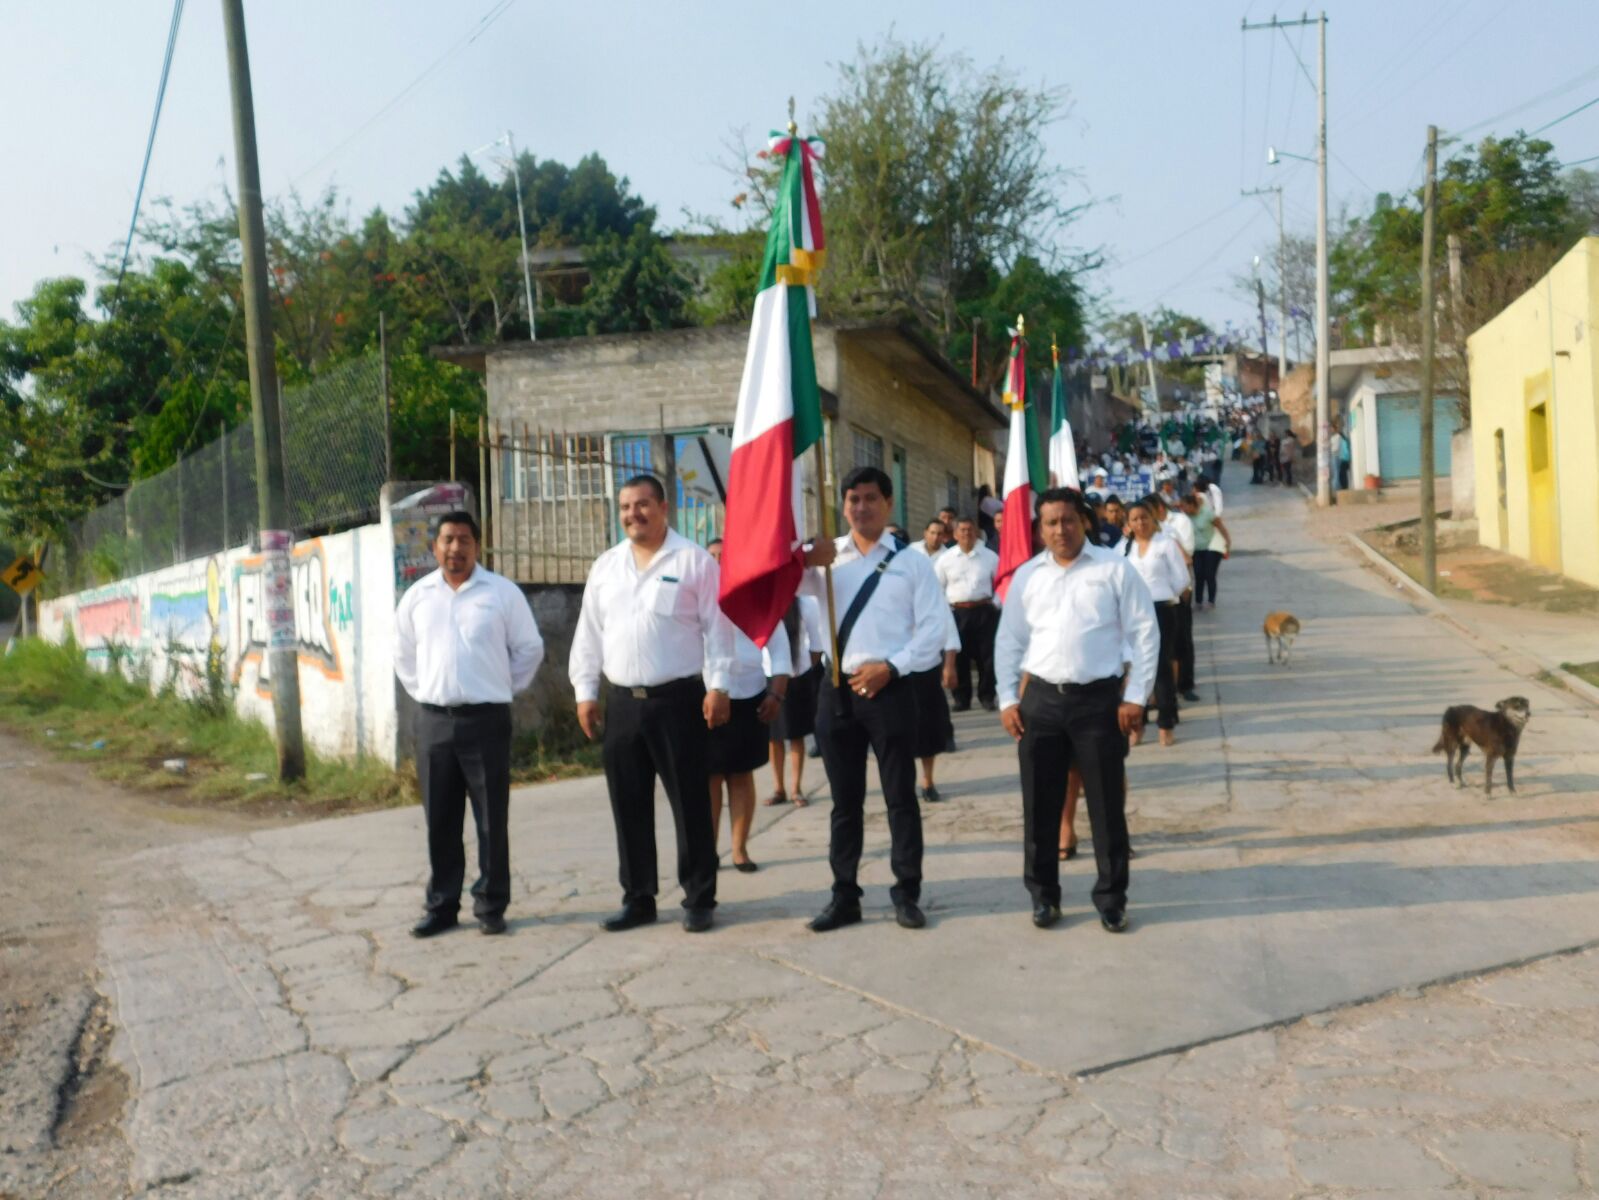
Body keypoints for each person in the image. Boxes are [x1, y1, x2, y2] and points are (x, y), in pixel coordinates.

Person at [569, 475, 734, 934]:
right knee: (629, 804)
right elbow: (589, 634)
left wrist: (718, 686)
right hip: (622, 703)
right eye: (625, 507)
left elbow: (718, 629)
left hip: (678, 701)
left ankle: (699, 897)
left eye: (642, 505)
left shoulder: (694, 561)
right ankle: (638, 897)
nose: (632, 514)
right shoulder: (606, 567)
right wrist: (585, 692)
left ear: (664, 507)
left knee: (690, 804)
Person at [995, 487, 1159, 932]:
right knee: (1039, 806)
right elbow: (1009, 641)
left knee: (1106, 806)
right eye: (1050, 522)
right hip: (1041, 703)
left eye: (1067, 520)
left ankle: (1111, 897)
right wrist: (1008, 698)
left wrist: (1135, 697)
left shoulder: (1114, 569)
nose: (1060, 530)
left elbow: (1145, 632)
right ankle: (1044, 896)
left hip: (1099, 702)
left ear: (1083, 521)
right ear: (1039, 528)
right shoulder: (1028, 576)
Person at [800, 466, 947, 932]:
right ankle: (845, 895)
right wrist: (800, 559)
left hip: (891, 690)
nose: (860, 507)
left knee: (900, 796)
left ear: (888, 504)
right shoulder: (825, 560)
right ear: (842, 506)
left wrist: (892, 668)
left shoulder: (912, 562)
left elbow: (933, 630)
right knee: (845, 803)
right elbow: (774, 580)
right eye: (852, 499)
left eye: (869, 498)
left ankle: (907, 892)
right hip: (836, 689)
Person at [396, 510, 545, 938]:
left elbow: (529, 650)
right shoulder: (418, 596)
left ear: (477, 546)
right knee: (440, 819)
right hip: (434, 723)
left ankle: (491, 904)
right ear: (435, 547)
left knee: (490, 819)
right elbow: (402, 655)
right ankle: (442, 905)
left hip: (486, 721)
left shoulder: (501, 594)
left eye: (463, 539)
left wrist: (499, 688)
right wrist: (427, 691)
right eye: (447, 539)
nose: (455, 548)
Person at [704, 539, 789, 873]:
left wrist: (776, 694)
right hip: (707, 698)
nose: (718, 564)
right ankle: (707, 852)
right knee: (710, 778)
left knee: (740, 776)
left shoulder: (758, 601)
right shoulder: (696, 599)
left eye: (724, 557)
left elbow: (781, 652)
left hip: (749, 695)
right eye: (711, 558)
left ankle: (739, 849)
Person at [1118, 501, 1188, 746]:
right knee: (1136, 667)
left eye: (1144, 517)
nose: (1140, 523)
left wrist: (1161, 594)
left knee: (1160, 667)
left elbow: (1182, 579)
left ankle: (1166, 723)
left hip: (1162, 610)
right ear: (1128, 523)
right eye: (1134, 519)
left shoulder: (1165, 544)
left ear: (1152, 518)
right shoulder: (1123, 548)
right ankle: (1138, 724)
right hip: (1133, 613)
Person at [934, 516, 999, 712]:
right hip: (957, 613)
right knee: (959, 658)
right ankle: (961, 699)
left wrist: (995, 605)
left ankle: (987, 696)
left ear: (976, 532)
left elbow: (1000, 584)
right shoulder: (945, 559)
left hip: (985, 611)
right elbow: (937, 587)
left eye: (970, 530)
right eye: (961, 530)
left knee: (987, 657)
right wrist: (946, 611)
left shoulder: (990, 557)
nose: (966, 534)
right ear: (954, 534)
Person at [766, 595, 824, 807]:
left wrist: (804, 669)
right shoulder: (765, 603)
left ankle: (795, 788)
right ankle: (778, 788)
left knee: (796, 735)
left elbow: (817, 645)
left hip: (797, 675)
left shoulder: (806, 604)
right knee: (774, 737)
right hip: (769, 674)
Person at [913, 610, 961, 804]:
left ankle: (928, 781)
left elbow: (948, 630)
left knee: (927, 728)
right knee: (897, 732)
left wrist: (949, 666)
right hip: (893, 671)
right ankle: (901, 783)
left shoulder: (929, 589)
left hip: (927, 667)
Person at [1185, 487, 1233, 611]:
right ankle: (1198, 601)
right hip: (1196, 549)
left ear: (1192, 505)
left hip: (1211, 547)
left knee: (1209, 574)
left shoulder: (1207, 513)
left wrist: (1227, 542)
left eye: (1185, 506)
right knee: (1198, 575)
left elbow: (1221, 527)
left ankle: (1211, 600)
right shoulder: (1185, 518)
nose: (1183, 509)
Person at [1332, 423, 1351, 491]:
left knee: (1339, 473)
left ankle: (1340, 488)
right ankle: (1344, 487)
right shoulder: (1341, 437)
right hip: (1344, 458)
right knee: (1342, 474)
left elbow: (1335, 448)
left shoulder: (1338, 437)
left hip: (1341, 457)